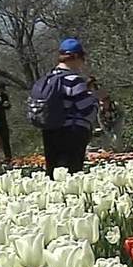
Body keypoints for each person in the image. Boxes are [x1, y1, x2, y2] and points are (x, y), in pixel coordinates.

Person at [40, 38, 98, 178]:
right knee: (71, 174)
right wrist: (95, 98)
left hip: (49, 131)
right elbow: (86, 109)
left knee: (53, 173)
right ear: (76, 56)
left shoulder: (48, 78)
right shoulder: (74, 79)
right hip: (71, 134)